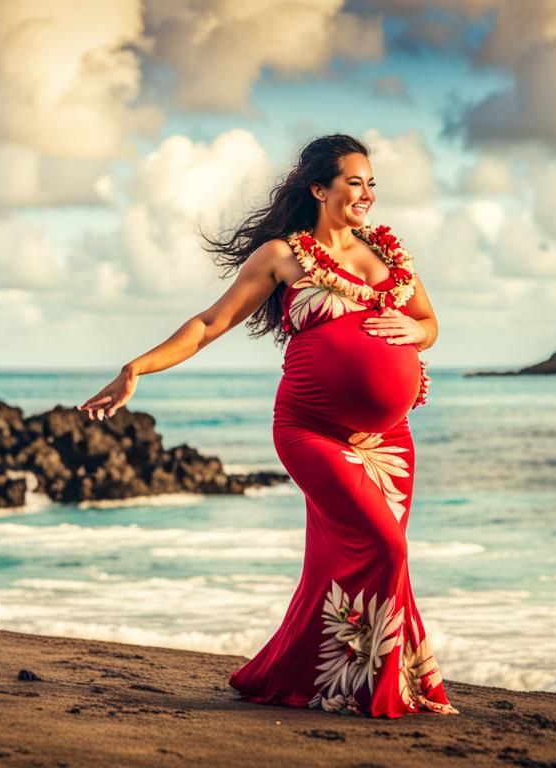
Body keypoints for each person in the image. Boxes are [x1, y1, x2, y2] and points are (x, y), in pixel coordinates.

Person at [78, 134, 458, 718]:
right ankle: (377, 685)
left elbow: (428, 322)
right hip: (312, 431)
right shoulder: (283, 256)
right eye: (354, 182)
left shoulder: (387, 256)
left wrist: (417, 333)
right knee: (384, 546)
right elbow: (210, 323)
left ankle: (302, 675)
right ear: (319, 189)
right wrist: (136, 369)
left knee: (342, 561)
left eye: (371, 184)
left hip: (388, 443)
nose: (366, 194)